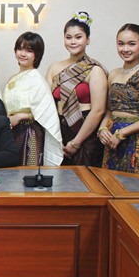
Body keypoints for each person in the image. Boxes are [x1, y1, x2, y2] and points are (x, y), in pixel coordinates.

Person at [97, 24, 139, 175]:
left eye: (131, 44)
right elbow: (109, 110)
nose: (125, 49)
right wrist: (102, 128)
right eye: (121, 44)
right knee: (109, 182)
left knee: (133, 184)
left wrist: (123, 133)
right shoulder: (113, 74)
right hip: (112, 138)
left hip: (136, 139)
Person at [47, 12, 107, 167]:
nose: (73, 41)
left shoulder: (94, 70)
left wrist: (76, 143)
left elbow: (98, 110)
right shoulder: (54, 68)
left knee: (84, 178)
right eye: (68, 37)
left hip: (85, 131)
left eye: (78, 37)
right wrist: (55, 139)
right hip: (58, 131)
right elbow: (46, 105)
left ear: (88, 39)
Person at [3, 32, 63, 166]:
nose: (23, 54)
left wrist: (20, 116)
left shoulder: (37, 80)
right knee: (10, 171)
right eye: (20, 49)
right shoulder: (12, 78)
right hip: (10, 131)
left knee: (27, 171)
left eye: (29, 51)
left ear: (37, 55)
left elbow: (46, 112)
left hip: (29, 132)